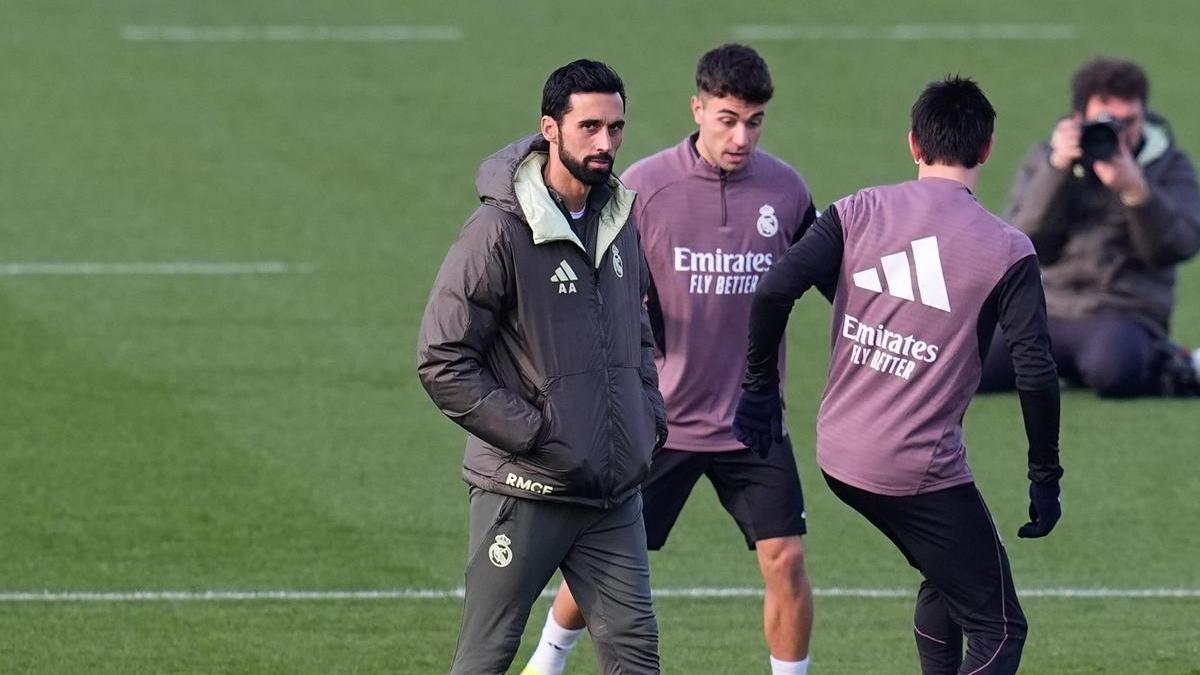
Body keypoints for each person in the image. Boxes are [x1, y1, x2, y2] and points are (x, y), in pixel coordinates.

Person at [734, 77, 1064, 674]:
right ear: (988, 149)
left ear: (914, 143)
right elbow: (1036, 373)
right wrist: (1046, 474)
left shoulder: (857, 209)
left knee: (948, 576)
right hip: (918, 471)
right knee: (1001, 628)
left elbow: (775, 288)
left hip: (838, 456)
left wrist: (758, 388)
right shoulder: (1007, 249)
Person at [523, 43, 817, 675]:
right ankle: (544, 664)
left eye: (755, 121)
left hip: (751, 423)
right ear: (698, 108)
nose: (742, 136)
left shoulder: (788, 192)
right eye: (728, 119)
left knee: (786, 559)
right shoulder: (645, 188)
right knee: (606, 559)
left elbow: (829, 281)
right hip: (657, 421)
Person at [416, 58, 667, 675]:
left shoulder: (621, 219)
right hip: (524, 491)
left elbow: (638, 337)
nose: (605, 142)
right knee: (485, 659)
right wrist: (537, 438)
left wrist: (647, 418)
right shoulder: (497, 230)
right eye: (589, 127)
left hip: (611, 495)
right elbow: (442, 358)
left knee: (636, 660)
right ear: (549, 129)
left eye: (615, 128)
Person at [981, 56, 1200, 397]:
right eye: (1107, 122)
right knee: (970, 362)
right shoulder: (1046, 159)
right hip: (1044, 310)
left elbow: (1178, 246)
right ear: (1079, 118)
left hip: (1122, 313)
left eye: (1130, 121)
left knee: (1113, 370)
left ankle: (1170, 363)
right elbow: (1020, 241)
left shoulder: (1170, 166)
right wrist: (1057, 171)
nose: (1120, 135)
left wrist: (1137, 191)